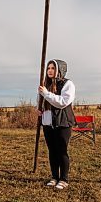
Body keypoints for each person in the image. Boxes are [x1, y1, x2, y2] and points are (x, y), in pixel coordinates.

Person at [38, 59, 76, 190]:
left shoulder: (68, 84)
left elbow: (63, 102)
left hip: (62, 123)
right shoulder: (45, 85)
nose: (49, 70)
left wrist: (46, 94)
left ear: (60, 70)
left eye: (53, 68)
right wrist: (40, 110)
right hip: (48, 123)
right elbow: (44, 102)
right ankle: (54, 177)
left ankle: (64, 179)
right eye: (48, 68)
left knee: (62, 151)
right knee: (52, 151)